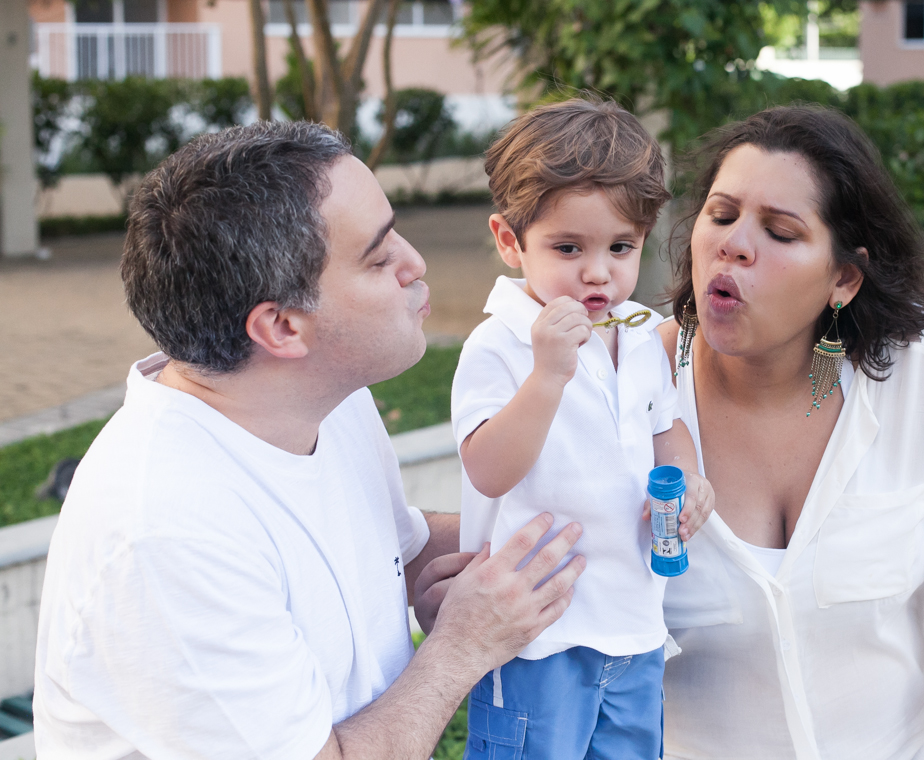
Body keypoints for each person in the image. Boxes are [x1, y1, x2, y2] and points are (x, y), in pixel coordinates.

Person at [33, 121, 586, 760]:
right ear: (283, 326)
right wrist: (465, 644)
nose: (416, 264)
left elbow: (390, 547)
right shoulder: (166, 532)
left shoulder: (322, 397)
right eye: (379, 257)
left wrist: (586, 531)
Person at [654, 106, 924, 759]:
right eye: (721, 216)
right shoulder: (626, 385)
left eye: (780, 232)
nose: (733, 244)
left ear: (843, 278)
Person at [451, 98, 714, 759]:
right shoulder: (501, 344)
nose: (598, 272)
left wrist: (687, 481)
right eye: (568, 248)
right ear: (510, 241)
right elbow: (487, 469)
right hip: (536, 630)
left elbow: (666, 430)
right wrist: (546, 376)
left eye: (620, 247)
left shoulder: (640, 335)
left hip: (632, 622)